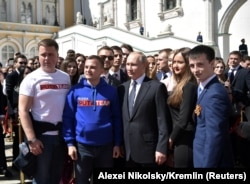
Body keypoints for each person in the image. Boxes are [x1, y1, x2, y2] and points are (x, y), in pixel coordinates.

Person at [62, 55, 122, 184]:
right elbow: (68, 118)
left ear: (101, 70)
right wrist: (70, 143)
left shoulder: (111, 91)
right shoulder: (75, 91)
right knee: (82, 181)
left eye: (93, 67)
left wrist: (117, 143)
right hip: (82, 146)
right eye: (86, 67)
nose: (88, 70)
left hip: (106, 146)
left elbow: (117, 118)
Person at [18, 38, 71, 183]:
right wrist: (32, 139)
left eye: (50, 54)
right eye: (43, 55)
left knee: (57, 177)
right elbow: (23, 110)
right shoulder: (31, 79)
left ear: (57, 55)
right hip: (42, 138)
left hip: (61, 137)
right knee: (41, 178)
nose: (46, 58)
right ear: (38, 56)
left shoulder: (65, 78)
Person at [118, 51, 171, 167]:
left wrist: (162, 148)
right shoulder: (122, 88)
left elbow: (162, 120)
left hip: (148, 150)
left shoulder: (156, 87)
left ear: (144, 65)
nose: (129, 68)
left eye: (133, 65)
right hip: (127, 150)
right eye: (127, 64)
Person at [189, 45, 233, 168]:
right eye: (192, 66)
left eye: (200, 64)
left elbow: (215, 135)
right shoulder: (202, 87)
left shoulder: (215, 93)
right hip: (201, 155)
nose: (195, 70)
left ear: (212, 63)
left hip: (210, 161)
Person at [167, 47, 197, 168]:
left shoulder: (189, 86)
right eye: (174, 62)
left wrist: (171, 139)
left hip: (184, 139)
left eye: (180, 62)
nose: (175, 65)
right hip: (179, 137)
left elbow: (183, 119)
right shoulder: (180, 85)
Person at [225, 50, 250, 167]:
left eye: (236, 59)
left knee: (241, 135)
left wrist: (244, 103)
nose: (233, 60)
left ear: (240, 60)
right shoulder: (224, 72)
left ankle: (242, 159)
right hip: (227, 109)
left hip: (241, 109)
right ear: (228, 59)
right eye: (231, 58)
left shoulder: (245, 72)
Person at [5, 54, 28, 164]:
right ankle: (16, 161)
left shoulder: (27, 75)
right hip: (15, 110)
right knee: (18, 138)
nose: (23, 65)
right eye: (20, 62)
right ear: (15, 64)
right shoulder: (12, 76)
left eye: (25, 63)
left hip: (26, 110)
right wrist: (14, 110)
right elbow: (9, 94)